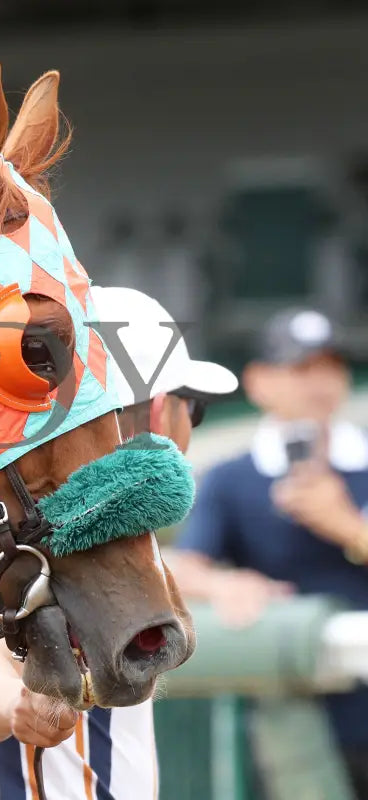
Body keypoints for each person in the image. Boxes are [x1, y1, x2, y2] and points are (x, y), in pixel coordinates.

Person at [0, 286, 238, 800]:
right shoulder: (43, 544)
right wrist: (14, 707)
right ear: (160, 414)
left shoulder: (69, 531)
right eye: (194, 409)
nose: (191, 428)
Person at [168, 307, 368, 797]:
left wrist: (347, 525)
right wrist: (224, 584)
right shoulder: (233, 478)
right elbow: (177, 566)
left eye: (330, 366)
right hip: (291, 718)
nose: (317, 383)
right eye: (300, 368)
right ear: (259, 381)